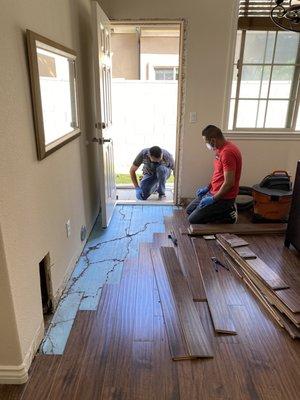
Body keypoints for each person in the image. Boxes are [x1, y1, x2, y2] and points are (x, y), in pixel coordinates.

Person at [186, 125, 242, 224]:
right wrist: (208, 188)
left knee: (193, 220)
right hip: (212, 192)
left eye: (206, 142)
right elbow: (218, 174)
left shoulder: (227, 153)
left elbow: (229, 183)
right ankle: (217, 210)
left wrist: (213, 199)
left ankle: (228, 212)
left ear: (213, 140)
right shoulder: (219, 149)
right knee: (189, 210)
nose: (206, 144)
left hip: (224, 198)